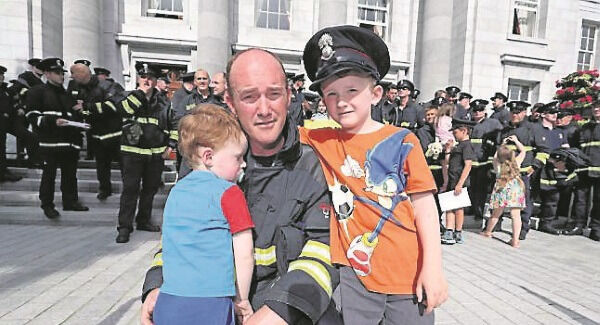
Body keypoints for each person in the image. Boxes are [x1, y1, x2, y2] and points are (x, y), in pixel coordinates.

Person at [141, 48, 340, 325]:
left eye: (273, 94)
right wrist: (156, 285)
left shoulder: (313, 166)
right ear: (230, 102)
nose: (264, 110)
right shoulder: (206, 161)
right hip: (208, 307)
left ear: (288, 96)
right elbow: (180, 236)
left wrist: (281, 310)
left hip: (284, 308)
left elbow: (325, 247)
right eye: (249, 97)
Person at [300, 25, 447, 325]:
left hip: (408, 274)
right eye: (331, 94)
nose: (342, 101)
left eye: (352, 90)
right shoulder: (321, 139)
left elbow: (424, 208)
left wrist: (433, 269)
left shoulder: (403, 141)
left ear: (376, 93)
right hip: (356, 279)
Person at [153, 105, 255, 324]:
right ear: (208, 156)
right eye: (237, 157)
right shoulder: (230, 193)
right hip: (211, 301)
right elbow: (244, 252)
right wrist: (243, 299)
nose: (243, 164)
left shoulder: (177, 191)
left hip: (170, 298)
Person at [114, 63, 177, 243]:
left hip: (155, 154)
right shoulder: (129, 96)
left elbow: (173, 125)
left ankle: (143, 220)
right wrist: (141, 93)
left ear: (156, 80)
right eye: (143, 77)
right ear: (138, 79)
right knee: (130, 190)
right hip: (132, 153)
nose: (146, 80)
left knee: (149, 190)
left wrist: (171, 145)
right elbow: (124, 110)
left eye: (150, 77)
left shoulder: (164, 101)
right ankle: (124, 227)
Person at [25, 58, 89, 218]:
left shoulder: (67, 94)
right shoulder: (37, 91)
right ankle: (47, 205)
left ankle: (70, 202)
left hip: (69, 143)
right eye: (57, 73)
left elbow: (73, 115)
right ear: (47, 73)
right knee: (49, 176)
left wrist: (81, 118)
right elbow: (32, 115)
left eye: (62, 73)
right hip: (49, 143)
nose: (61, 76)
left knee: (70, 174)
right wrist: (52, 121)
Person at [69, 62, 124, 200]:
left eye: (73, 74)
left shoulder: (108, 86)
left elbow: (113, 106)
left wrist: (87, 107)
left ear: (82, 74)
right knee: (101, 165)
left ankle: (129, 189)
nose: (71, 77)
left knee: (125, 165)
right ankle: (105, 189)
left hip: (115, 135)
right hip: (96, 135)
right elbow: (81, 110)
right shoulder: (81, 89)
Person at [481, 137, 526, 248]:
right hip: (516, 190)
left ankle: (488, 231)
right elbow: (523, 151)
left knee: (496, 213)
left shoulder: (498, 165)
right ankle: (515, 240)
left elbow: (496, 157)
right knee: (516, 215)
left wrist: (501, 145)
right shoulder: (516, 163)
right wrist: (516, 141)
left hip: (502, 188)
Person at [441, 119, 475, 245]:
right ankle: (451, 230)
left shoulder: (467, 146)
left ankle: (456, 231)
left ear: (464, 131)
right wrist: (448, 150)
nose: (454, 135)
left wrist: (460, 183)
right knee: (449, 207)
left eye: (455, 132)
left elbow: (468, 165)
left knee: (458, 208)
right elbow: (449, 163)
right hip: (452, 180)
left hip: (459, 181)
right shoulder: (459, 145)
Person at [569, 103, 600, 240]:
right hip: (584, 169)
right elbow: (577, 148)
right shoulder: (584, 128)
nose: (596, 109)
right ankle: (578, 225)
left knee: (599, 200)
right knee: (580, 199)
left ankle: (596, 228)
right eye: (595, 107)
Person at [469, 99, 503, 221]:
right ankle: (470, 210)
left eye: (480, 110)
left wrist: (492, 164)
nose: (477, 113)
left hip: (484, 164)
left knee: (481, 190)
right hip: (469, 163)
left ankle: (478, 212)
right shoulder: (468, 124)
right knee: (470, 188)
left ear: (484, 111)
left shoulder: (493, 124)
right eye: (475, 110)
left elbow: (497, 143)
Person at [0, 65, 23, 182]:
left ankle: (3, 171)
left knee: (1, 148)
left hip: (3, 125)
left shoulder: (5, 91)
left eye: (2, 75)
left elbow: (10, 106)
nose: (1, 77)